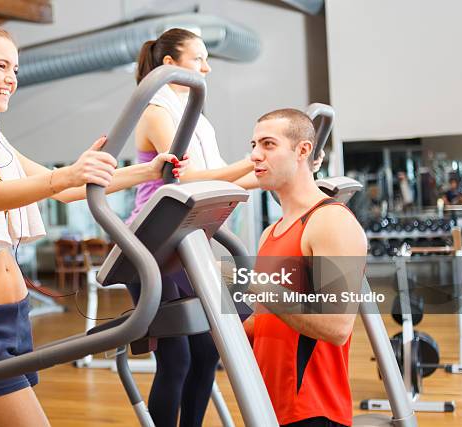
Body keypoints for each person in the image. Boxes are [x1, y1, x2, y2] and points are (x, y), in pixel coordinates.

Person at [0, 23, 186, 427]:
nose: (11, 79)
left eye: (15, 70)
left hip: (15, 315)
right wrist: (70, 174)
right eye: (1, 66)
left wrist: (149, 172)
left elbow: (69, 189)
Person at [128, 29, 325, 427]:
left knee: (206, 353)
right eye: (198, 58)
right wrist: (263, 158)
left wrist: (290, 171)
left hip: (187, 243)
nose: (207, 67)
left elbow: (225, 180)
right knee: (177, 359)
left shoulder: (196, 119)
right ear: (170, 66)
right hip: (152, 242)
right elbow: (192, 177)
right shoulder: (155, 111)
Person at [243, 109, 367, 427]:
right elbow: (269, 321)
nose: (255, 155)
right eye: (253, 145)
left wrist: (260, 286)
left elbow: (337, 326)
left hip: (312, 412)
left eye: (268, 144)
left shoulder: (329, 221)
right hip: (268, 407)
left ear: (303, 150)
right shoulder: (270, 233)